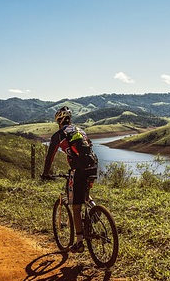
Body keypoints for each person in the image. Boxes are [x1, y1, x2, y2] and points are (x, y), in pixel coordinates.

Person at [41, 106, 98, 253]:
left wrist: (45, 173)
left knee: (76, 206)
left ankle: (79, 243)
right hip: (93, 166)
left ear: (59, 121)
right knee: (84, 195)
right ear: (69, 119)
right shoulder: (80, 131)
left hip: (78, 170)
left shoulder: (59, 135)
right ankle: (95, 209)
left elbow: (50, 157)